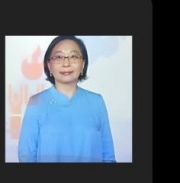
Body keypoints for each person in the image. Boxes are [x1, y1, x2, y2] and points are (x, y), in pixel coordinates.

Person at [18, 35, 116, 163]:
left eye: (73, 56)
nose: (66, 63)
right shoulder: (36, 103)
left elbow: (108, 155)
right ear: (49, 65)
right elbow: (26, 156)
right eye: (59, 57)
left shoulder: (96, 102)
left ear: (83, 64)